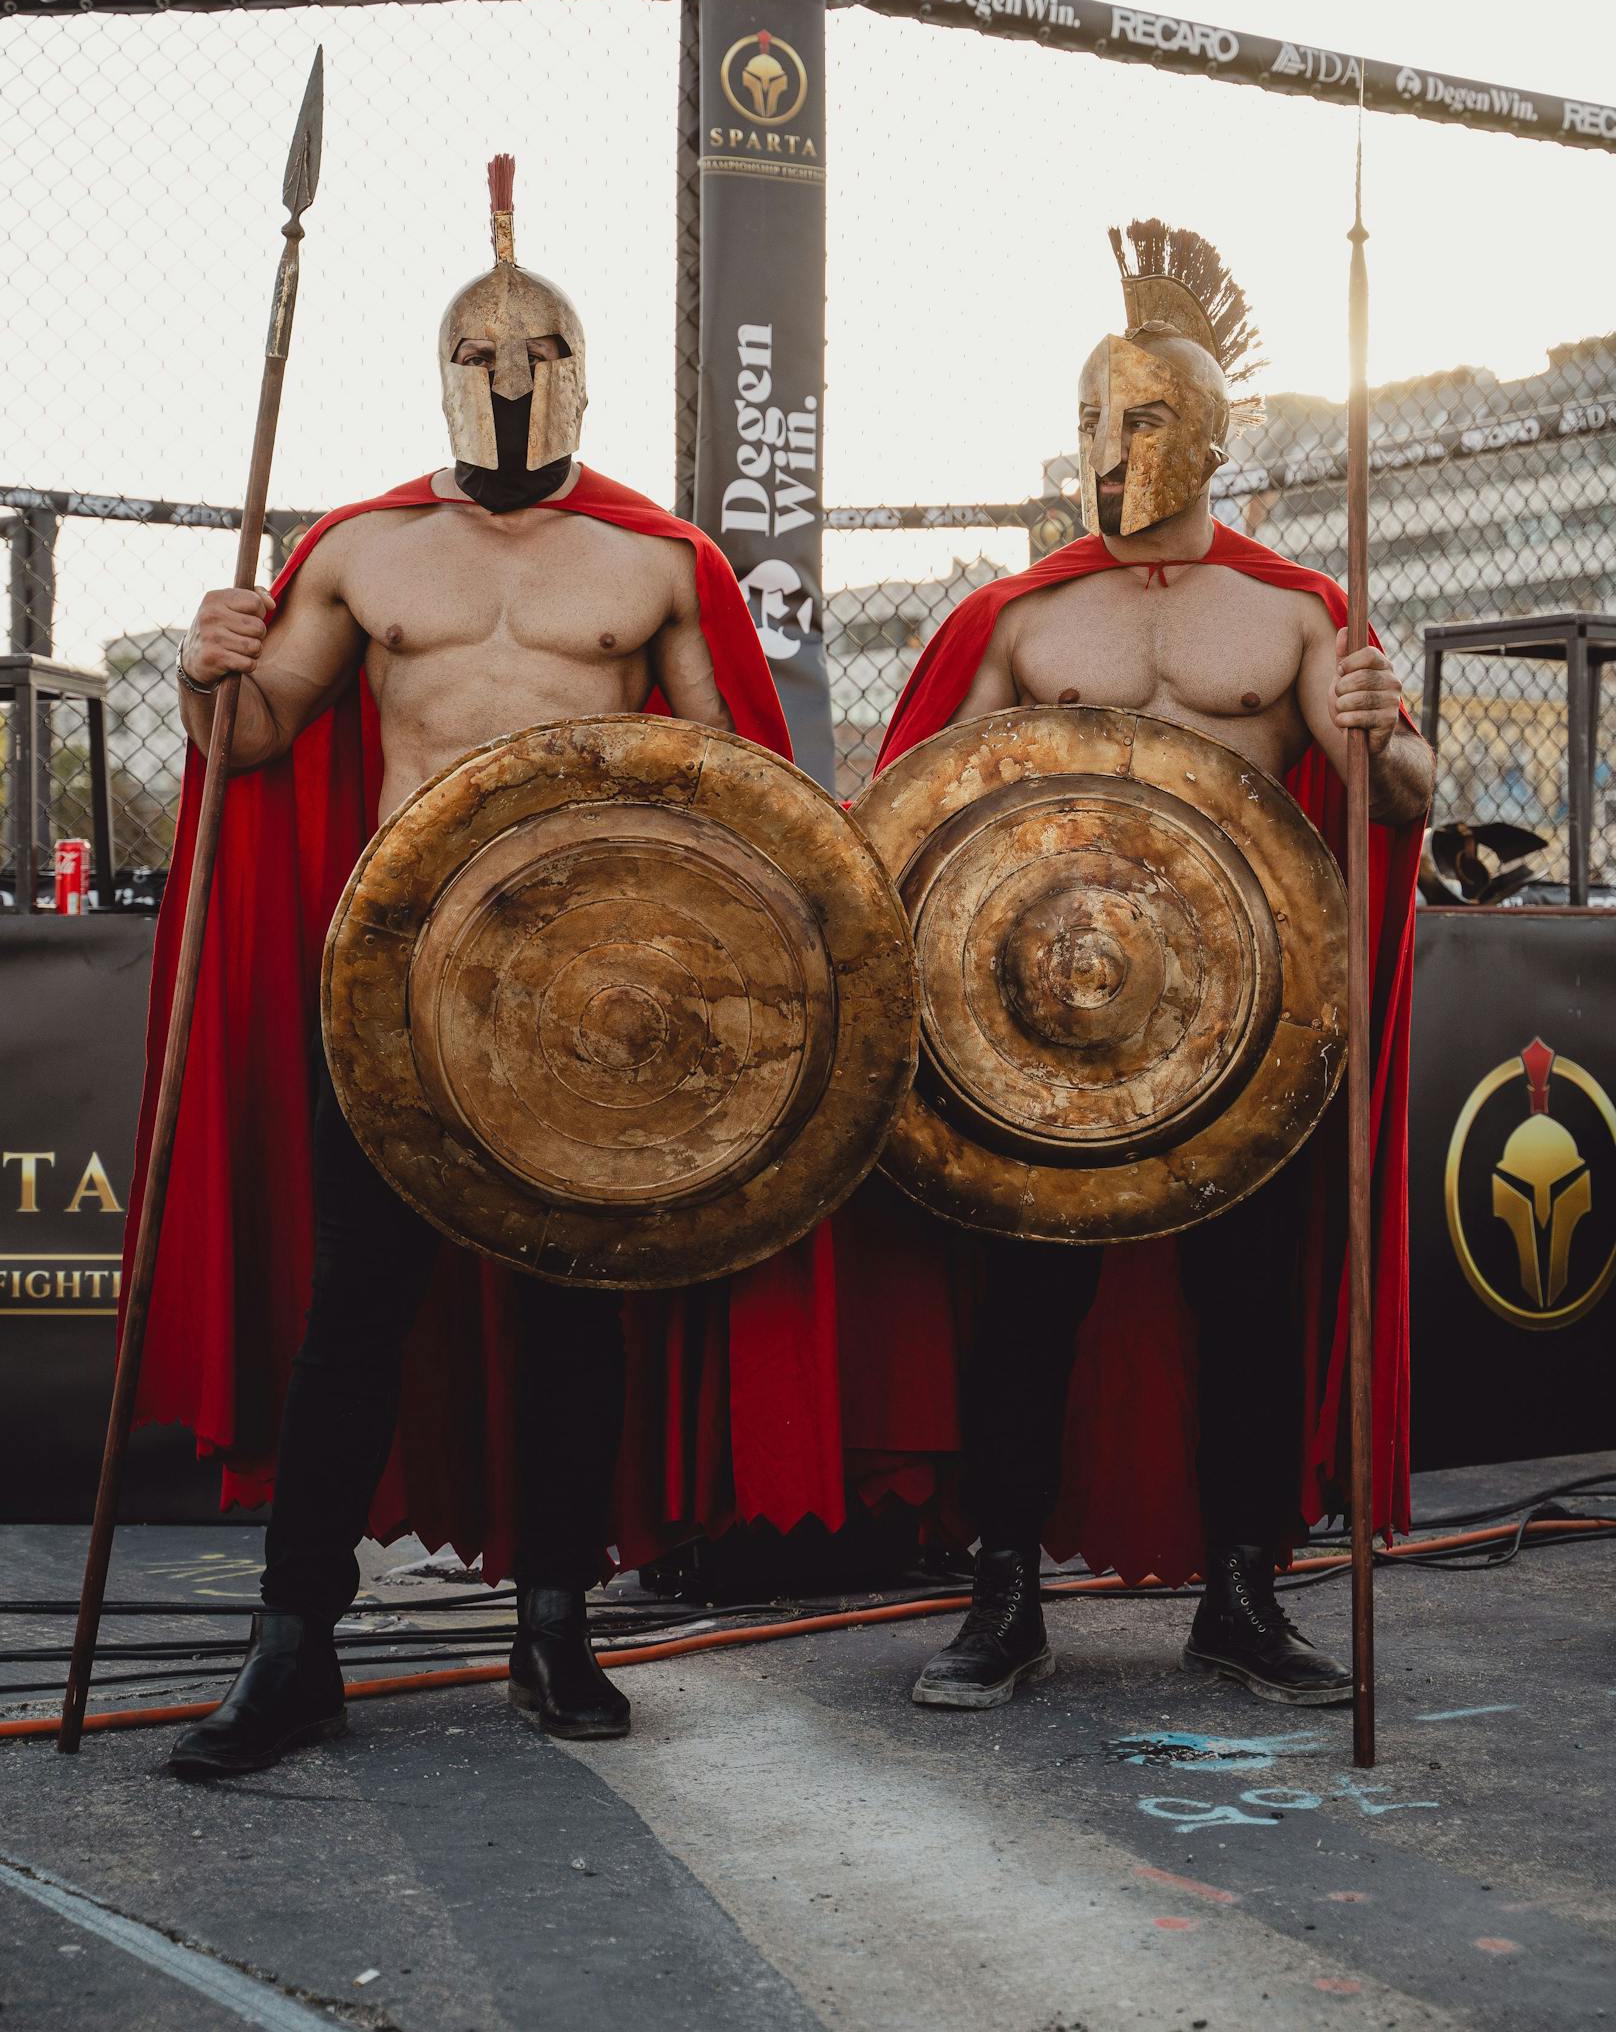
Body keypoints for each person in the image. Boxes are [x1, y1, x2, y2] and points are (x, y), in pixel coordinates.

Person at [137, 158, 842, 1777]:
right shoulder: (362, 551)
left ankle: (553, 1631)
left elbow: (729, 790)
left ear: (580, 372)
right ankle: (293, 1642)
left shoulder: (659, 564)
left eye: (535, 358)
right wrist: (202, 669)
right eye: (480, 357)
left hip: (586, 1001)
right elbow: (251, 747)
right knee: (357, 1316)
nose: (509, 382)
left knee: (568, 1316)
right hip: (392, 984)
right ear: (443, 371)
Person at [839, 222, 1431, 1711]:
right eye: (1095, 420)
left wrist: (1384, 731)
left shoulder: (1297, 616)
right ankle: (1005, 1599)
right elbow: (911, 813)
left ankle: (1241, 1597)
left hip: (1246, 1028)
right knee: (1027, 1314)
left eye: (1145, 417)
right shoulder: (1021, 618)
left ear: (1212, 435)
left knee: (1246, 1314)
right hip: (1036, 1030)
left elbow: (1402, 803)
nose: (1112, 448)